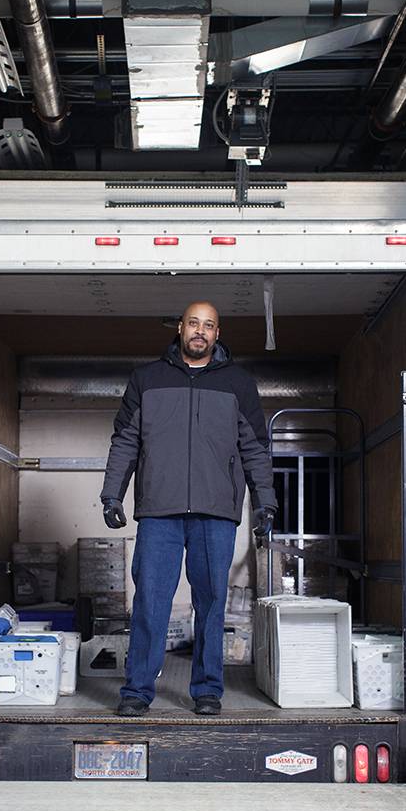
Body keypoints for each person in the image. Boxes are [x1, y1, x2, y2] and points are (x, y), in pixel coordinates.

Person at [100, 301, 277, 717]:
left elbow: (254, 448)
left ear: (217, 333)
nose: (200, 331)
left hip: (215, 512)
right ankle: (137, 691)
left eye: (209, 326)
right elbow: (125, 440)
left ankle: (207, 690)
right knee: (150, 602)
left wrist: (264, 502)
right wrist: (112, 495)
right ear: (180, 327)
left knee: (212, 602)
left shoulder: (238, 383)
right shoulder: (147, 379)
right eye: (193, 323)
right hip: (159, 510)